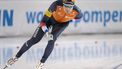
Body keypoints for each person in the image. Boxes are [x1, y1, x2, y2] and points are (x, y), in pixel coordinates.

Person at [4, 0, 82, 69]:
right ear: (62, 4)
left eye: (70, 7)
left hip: (62, 24)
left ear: (73, 6)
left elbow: (78, 18)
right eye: (66, 7)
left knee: (52, 40)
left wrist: (69, 19)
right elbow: (43, 22)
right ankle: (16, 57)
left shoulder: (78, 12)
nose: (68, 9)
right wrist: (47, 31)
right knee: (34, 40)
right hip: (50, 20)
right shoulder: (55, 4)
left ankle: (41, 63)